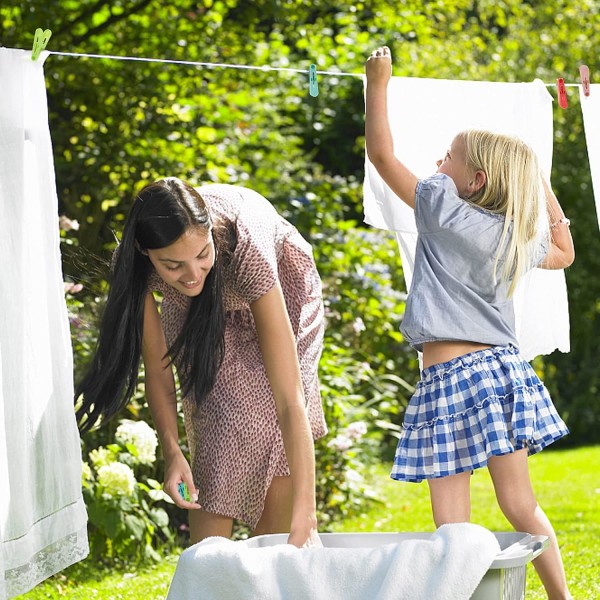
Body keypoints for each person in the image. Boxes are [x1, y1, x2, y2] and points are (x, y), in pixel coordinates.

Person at [365, 46, 574, 600]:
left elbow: (383, 158)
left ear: (474, 180)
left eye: (448, 158)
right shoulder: (512, 237)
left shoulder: (442, 207)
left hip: (450, 378)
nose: (438, 163)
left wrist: (377, 83)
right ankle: (562, 598)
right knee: (520, 504)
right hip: (498, 372)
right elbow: (564, 250)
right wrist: (541, 180)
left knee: (451, 525)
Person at [75, 178, 327, 548]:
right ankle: (206, 567)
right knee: (213, 416)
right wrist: (172, 452)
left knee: (272, 418)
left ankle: (273, 556)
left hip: (284, 291)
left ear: (210, 235)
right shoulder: (134, 265)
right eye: (173, 264)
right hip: (198, 307)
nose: (192, 273)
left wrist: (306, 511)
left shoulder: (245, 247)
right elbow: (158, 368)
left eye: (201, 254)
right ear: (146, 252)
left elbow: (290, 399)